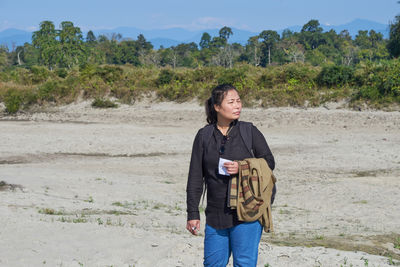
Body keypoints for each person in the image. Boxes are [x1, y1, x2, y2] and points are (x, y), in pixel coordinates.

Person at [186, 84, 275, 267]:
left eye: (239, 101)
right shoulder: (204, 135)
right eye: (231, 102)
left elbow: (269, 162)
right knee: (212, 264)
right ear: (217, 107)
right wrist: (192, 213)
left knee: (244, 263)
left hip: (247, 212)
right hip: (215, 214)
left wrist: (243, 167)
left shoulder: (249, 131)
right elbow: (195, 177)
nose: (237, 106)